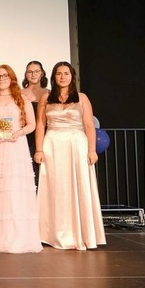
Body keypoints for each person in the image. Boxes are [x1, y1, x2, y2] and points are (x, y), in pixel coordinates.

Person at [35, 61, 106, 250]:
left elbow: (90, 126)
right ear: (54, 76)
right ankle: (52, 233)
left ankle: (82, 233)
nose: (62, 77)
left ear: (72, 76)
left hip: (76, 144)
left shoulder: (82, 98)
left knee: (79, 185)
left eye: (66, 73)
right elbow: (41, 125)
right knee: (56, 188)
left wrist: (92, 150)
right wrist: (39, 149)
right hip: (53, 145)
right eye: (59, 74)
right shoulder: (46, 98)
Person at [0, 65, 42, 253]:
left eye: (5, 75)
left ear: (12, 78)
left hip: (15, 148)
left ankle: (16, 236)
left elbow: (32, 124)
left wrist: (18, 133)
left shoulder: (22, 98)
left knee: (13, 190)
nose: (1, 78)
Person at [21, 60, 50, 187]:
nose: (33, 74)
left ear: (42, 73)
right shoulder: (19, 94)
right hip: (25, 136)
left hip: (45, 134)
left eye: (36, 71)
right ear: (26, 74)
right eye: (30, 72)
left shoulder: (49, 93)